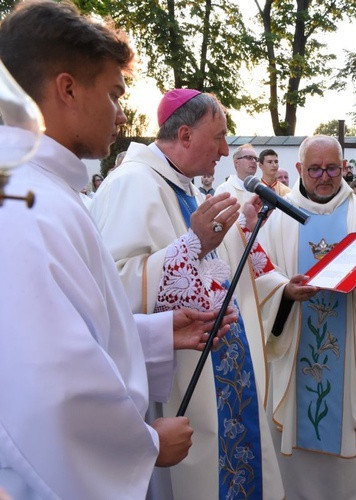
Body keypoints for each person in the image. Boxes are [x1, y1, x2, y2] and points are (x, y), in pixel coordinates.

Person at [0, 2, 208, 497]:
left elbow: (60, 328)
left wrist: (154, 335)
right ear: (67, 88)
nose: (121, 113)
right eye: (114, 94)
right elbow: (53, 384)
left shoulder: (42, 189)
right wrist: (144, 444)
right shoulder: (26, 206)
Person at [91, 90, 313, 499]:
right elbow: (110, 287)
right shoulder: (131, 185)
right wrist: (192, 243)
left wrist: (281, 287)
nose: (225, 150)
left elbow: (223, 270)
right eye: (219, 137)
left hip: (220, 380)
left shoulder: (188, 188)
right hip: (178, 383)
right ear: (186, 134)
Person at [258, 135, 356, 500]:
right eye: (315, 169)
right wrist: (284, 292)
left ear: (344, 168)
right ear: (299, 170)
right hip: (293, 346)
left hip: (348, 345)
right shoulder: (276, 216)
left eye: (332, 169)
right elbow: (256, 275)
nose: (324, 177)